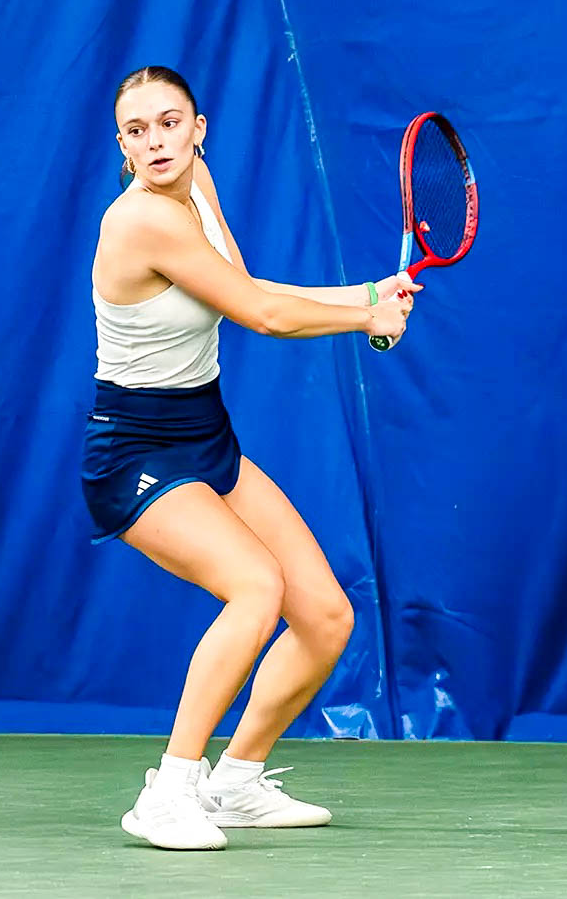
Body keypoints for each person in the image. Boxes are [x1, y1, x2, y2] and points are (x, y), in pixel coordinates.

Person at [83, 65, 418, 851]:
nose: (156, 141)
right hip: (134, 450)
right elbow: (264, 317)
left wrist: (365, 293)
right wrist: (361, 314)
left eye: (170, 123)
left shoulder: (196, 181)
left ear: (199, 128)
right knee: (255, 587)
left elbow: (241, 286)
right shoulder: (139, 221)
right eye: (138, 130)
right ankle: (168, 790)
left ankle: (237, 781)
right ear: (123, 147)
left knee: (327, 617)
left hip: (205, 436)